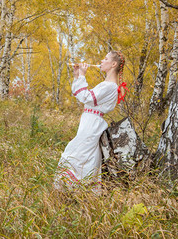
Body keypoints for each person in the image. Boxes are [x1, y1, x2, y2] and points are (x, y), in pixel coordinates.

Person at [53, 50, 127, 191]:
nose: (101, 61)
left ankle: (72, 187)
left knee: (77, 152)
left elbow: (86, 97)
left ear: (113, 64)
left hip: (92, 123)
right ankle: (79, 189)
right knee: (87, 155)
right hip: (90, 121)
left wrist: (82, 75)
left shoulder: (109, 86)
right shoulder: (107, 84)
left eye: (105, 59)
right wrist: (77, 76)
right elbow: (82, 95)